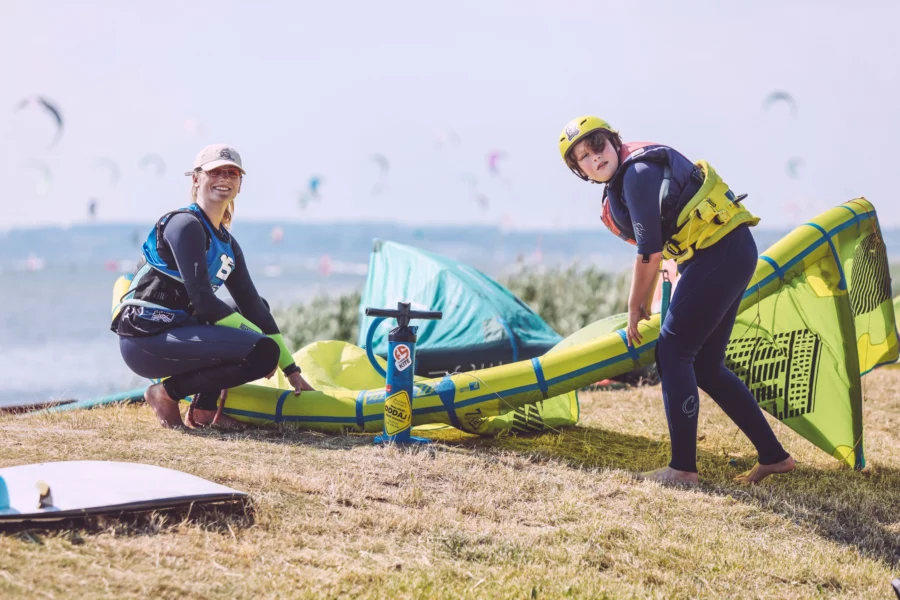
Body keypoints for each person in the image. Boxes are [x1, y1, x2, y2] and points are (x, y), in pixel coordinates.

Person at [558, 116, 795, 485]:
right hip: (724, 253)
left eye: (599, 146)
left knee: (672, 353)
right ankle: (774, 457)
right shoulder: (628, 178)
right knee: (704, 365)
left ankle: (682, 469)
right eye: (584, 158)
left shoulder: (636, 174)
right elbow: (666, 237)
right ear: (580, 171)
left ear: (614, 141)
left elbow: (648, 253)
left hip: (721, 254)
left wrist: (635, 305)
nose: (596, 158)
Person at [111, 144, 314, 429]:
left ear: (240, 184)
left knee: (257, 316)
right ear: (196, 179)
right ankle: (165, 394)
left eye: (232, 173)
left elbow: (253, 306)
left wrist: (291, 370)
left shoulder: (227, 245)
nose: (224, 178)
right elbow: (204, 302)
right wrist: (259, 342)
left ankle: (205, 411)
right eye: (215, 172)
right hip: (145, 339)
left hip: (179, 330)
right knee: (261, 349)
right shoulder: (184, 224)